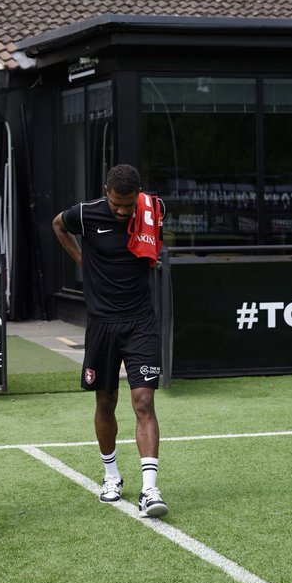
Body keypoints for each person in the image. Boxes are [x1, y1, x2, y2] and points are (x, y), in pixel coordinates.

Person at [52, 164, 169, 517]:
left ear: (139, 196)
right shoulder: (85, 214)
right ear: (106, 192)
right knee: (105, 401)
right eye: (116, 205)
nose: (122, 212)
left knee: (143, 401)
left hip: (141, 322)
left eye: (128, 205)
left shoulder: (154, 210)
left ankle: (150, 489)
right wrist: (81, 259)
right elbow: (58, 224)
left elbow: (160, 232)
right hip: (102, 323)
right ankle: (111, 475)